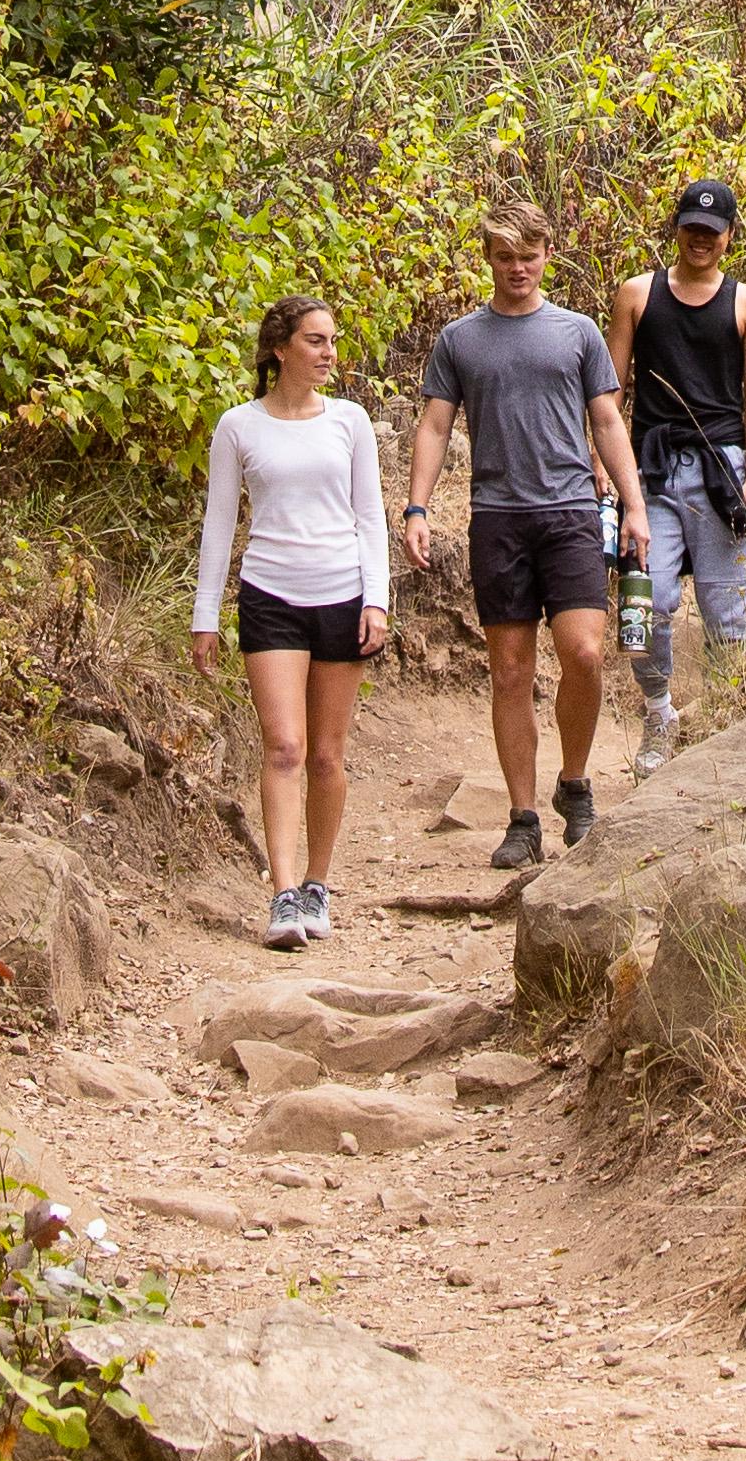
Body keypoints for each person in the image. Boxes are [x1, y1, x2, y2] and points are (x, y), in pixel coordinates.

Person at [406, 207, 648, 871]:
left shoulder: (577, 332)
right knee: (510, 671)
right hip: (499, 517)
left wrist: (634, 505)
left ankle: (574, 782)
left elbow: (606, 418)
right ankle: (522, 817)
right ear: (488, 258)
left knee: (586, 654)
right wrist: (417, 508)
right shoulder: (460, 339)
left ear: (548, 255)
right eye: (506, 256)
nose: (519, 268)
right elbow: (433, 425)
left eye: (530, 254)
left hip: (569, 512)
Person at [193, 293, 388, 951]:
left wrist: (377, 600)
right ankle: (280, 895)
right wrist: (204, 617)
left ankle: (316, 884)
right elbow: (220, 524)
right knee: (284, 747)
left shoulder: (351, 421)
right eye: (315, 340)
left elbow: (371, 517)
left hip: (341, 594)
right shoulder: (239, 426)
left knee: (328, 755)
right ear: (280, 348)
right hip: (270, 595)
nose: (329, 352)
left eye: (332, 340)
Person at [605, 177, 746, 772]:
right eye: (690, 229)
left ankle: (725, 724)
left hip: (721, 470)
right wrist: (607, 467)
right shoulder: (638, 294)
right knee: (645, 601)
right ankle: (658, 713)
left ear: (728, 237)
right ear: (675, 229)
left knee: (727, 611)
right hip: (651, 467)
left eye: (711, 232)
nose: (699, 241)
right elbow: (612, 389)